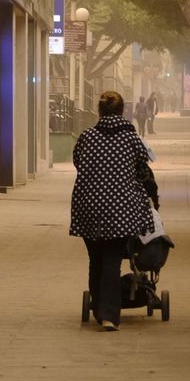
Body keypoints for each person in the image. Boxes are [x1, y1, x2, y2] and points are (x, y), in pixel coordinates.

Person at [70, 91, 159, 331]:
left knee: (95, 259)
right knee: (111, 261)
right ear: (122, 112)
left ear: (100, 112)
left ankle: (99, 307)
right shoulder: (132, 140)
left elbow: (78, 162)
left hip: (87, 207)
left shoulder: (87, 136)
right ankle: (108, 315)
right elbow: (143, 171)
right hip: (120, 209)